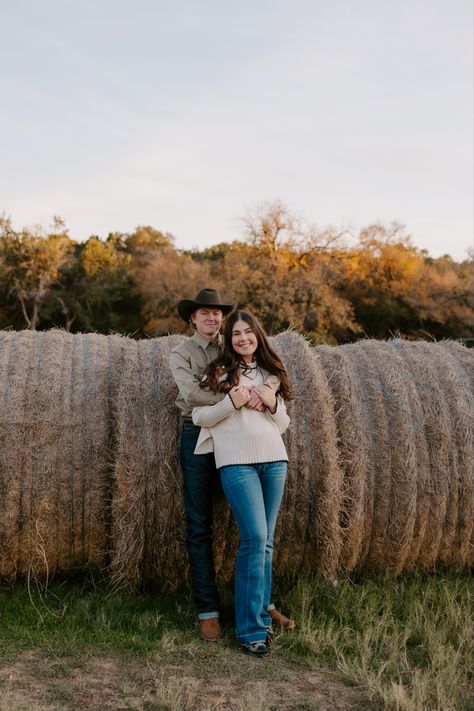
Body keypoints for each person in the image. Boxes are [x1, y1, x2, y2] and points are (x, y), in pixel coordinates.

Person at [170, 290, 295, 643]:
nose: (211, 318)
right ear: (192, 319)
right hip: (199, 432)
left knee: (261, 536)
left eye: (216, 313)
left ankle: (262, 605)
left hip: (250, 438)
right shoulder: (185, 354)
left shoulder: (235, 351)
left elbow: (274, 390)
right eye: (203, 313)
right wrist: (236, 396)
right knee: (200, 522)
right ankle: (208, 611)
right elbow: (194, 398)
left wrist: (266, 391)